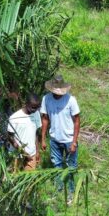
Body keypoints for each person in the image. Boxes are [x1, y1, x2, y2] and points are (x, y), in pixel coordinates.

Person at [39, 75, 80, 204]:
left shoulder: (71, 100)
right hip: (54, 138)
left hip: (68, 139)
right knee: (56, 165)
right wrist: (43, 139)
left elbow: (77, 121)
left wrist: (74, 142)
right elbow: (45, 118)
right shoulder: (46, 99)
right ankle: (59, 188)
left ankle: (72, 191)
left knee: (71, 166)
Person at [7, 94, 42, 171]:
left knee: (29, 180)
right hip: (16, 155)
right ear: (26, 103)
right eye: (33, 107)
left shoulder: (36, 114)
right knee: (13, 178)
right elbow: (10, 137)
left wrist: (37, 151)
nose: (35, 110)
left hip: (31, 154)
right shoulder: (14, 118)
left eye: (37, 108)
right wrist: (24, 153)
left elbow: (36, 133)